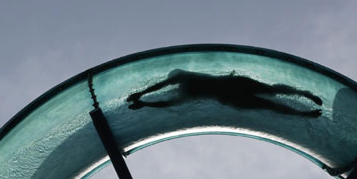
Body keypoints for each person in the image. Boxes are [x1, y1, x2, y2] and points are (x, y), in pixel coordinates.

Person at [126, 69, 323, 117]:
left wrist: (143, 98)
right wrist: (143, 100)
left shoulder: (183, 79)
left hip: (231, 91)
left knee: (270, 96)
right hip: (231, 91)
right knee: (270, 98)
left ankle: (304, 99)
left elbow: (162, 90)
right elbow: (166, 100)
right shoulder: (184, 88)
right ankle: (303, 104)